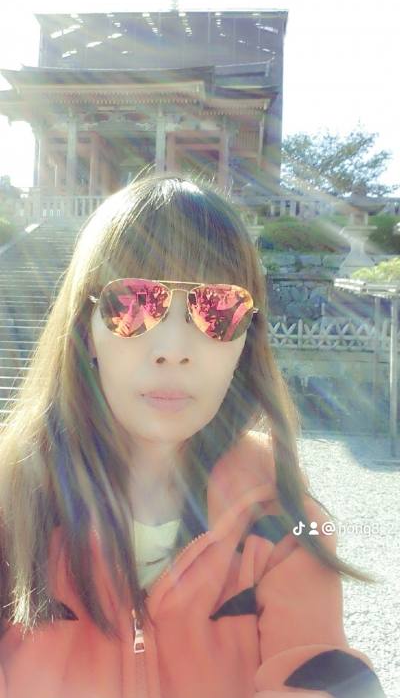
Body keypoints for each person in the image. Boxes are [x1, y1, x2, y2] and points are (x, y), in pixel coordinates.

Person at [0, 173, 386, 697]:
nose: (173, 350)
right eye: (133, 304)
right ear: (86, 328)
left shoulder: (285, 522)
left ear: (246, 341)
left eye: (218, 310)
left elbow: (319, 670)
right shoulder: (11, 505)